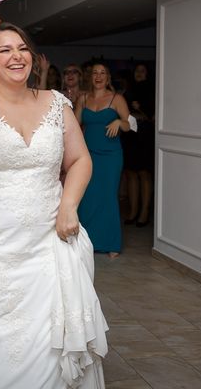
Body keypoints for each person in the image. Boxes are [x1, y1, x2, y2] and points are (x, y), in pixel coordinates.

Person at [0, 14, 108, 388]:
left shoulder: (56, 102)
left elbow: (79, 160)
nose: (16, 56)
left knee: (47, 333)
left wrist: (68, 205)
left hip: (49, 237)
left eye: (23, 48)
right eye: (4, 50)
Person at [75, 62, 130, 258]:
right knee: (87, 196)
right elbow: (75, 126)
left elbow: (130, 124)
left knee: (108, 196)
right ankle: (86, 242)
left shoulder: (117, 99)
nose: (98, 76)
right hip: (88, 155)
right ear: (91, 77)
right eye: (95, 73)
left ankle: (111, 242)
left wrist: (118, 121)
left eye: (103, 73)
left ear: (108, 78)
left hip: (111, 156)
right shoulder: (82, 98)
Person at [122, 63, 155, 226]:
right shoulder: (128, 91)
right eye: (137, 70)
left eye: (142, 71)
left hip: (145, 133)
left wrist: (140, 108)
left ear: (148, 74)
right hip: (130, 134)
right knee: (130, 173)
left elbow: (153, 116)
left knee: (144, 173)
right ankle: (133, 211)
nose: (139, 74)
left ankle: (144, 212)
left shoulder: (154, 90)